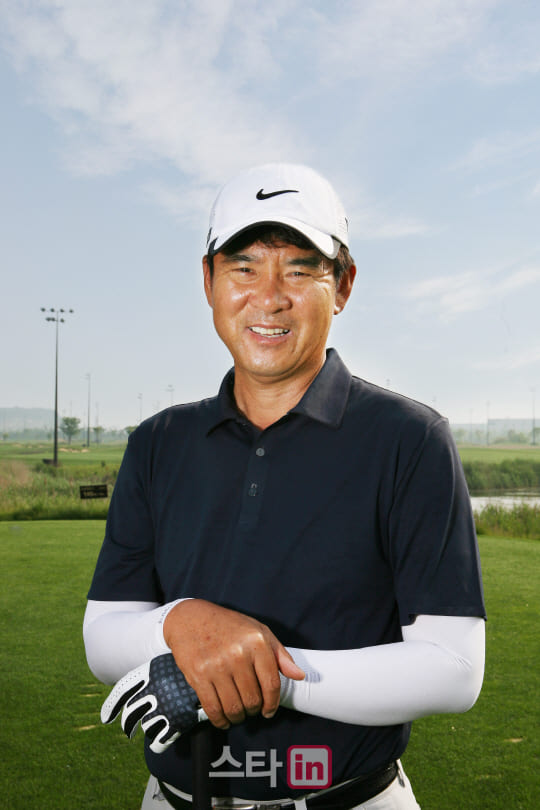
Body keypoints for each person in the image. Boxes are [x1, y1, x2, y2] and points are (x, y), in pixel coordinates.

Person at [84, 163, 486, 810]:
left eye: (299, 270)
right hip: (174, 797)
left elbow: (454, 669)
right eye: (244, 268)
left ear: (343, 285)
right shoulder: (158, 441)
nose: (268, 297)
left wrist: (256, 671)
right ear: (209, 280)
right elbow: (104, 634)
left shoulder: (410, 439)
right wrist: (180, 624)